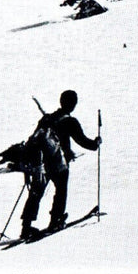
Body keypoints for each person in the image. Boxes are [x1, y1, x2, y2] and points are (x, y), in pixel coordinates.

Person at [20, 89, 101, 240]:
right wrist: (96, 143)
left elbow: (35, 139)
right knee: (61, 191)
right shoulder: (70, 121)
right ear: (73, 104)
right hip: (59, 163)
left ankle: (26, 226)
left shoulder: (47, 119)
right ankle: (55, 220)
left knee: (36, 192)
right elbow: (83, 141)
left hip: (41, 163)